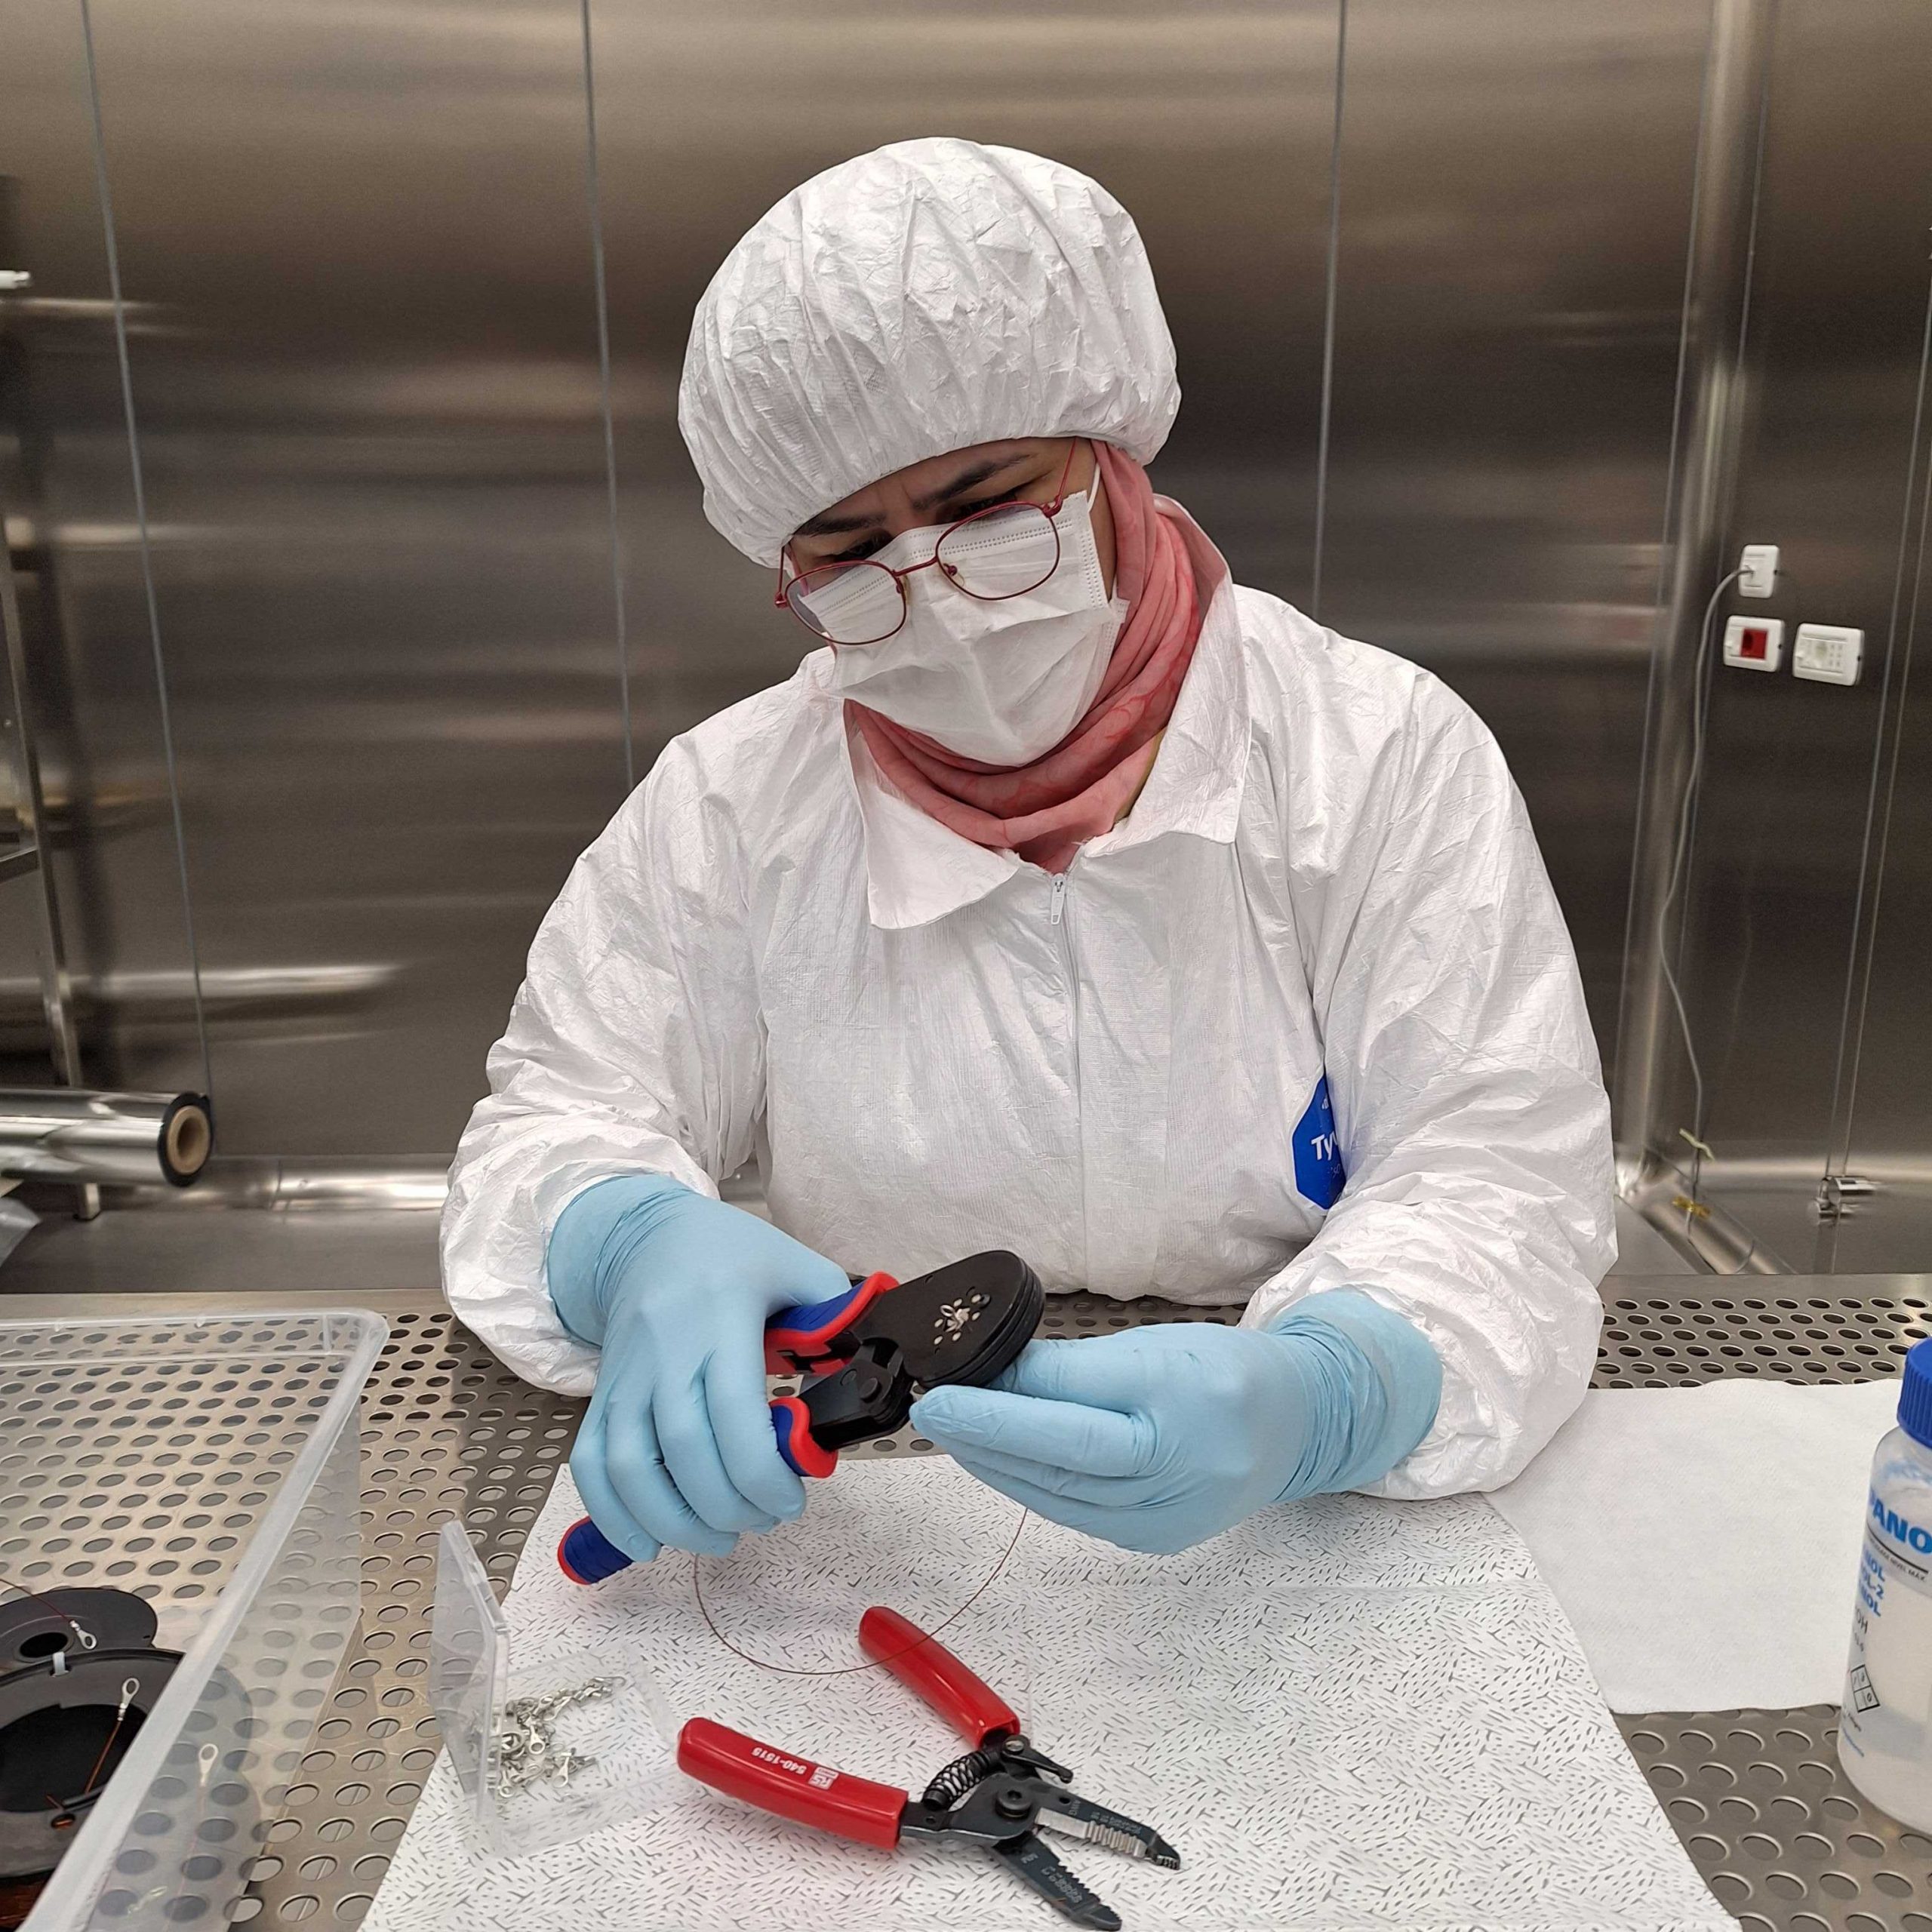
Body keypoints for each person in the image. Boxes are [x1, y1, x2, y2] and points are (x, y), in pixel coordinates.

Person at [441, 138, 1614, 1566]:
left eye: (991, 507)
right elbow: (557, 1115)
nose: (937, 599)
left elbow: (1499, 1169)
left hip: (1298, 1521)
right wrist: (626, 1238)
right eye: (851, 556)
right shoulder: (730, 806)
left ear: (1111, 460)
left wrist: (1335, 1390)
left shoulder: (1374, 752)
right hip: (872, 1498)